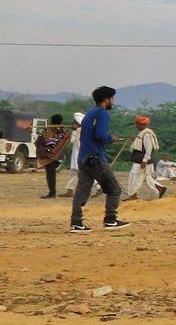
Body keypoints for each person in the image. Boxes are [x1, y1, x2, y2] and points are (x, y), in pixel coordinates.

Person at [70, 86, 129, 231]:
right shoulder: (103, 114)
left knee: (81, 191)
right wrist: (111, 138)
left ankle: (76, 222)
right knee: (114, 189)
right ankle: (110, 219)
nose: (113, 101)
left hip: (83, 157)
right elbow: (100, 134)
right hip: (95, 158)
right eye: (112, 99)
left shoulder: (89, 114)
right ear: (106, 100)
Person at [127, 115, 166, 200]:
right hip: (142, 160)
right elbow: (141, 143)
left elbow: (149, 149)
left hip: (142, 160)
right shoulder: (143, 133)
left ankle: (133, 195)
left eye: (138, 124)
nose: (136, 126)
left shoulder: (147, 134)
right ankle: (161, 188)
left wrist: (144, 161)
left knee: (135, 176)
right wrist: (133, 139)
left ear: (143, 125)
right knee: (147, 178)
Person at [36, 114, 71, 199]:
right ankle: (52, 192)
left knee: (50, 174)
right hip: (58, 156)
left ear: (52, 121)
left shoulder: (51, 130)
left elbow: (42, 141)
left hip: (51, 157)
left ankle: (52, 193)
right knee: (51, 174)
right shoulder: (62, 131)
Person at [60, 111, 84, 197]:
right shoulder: (77, 131)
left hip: (80, 154)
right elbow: (71, 140)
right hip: (75, 154)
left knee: (82, 173)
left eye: (74, 122)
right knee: (73, 172)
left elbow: (79, 144)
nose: (72, 124)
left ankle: (98, 187)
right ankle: (70, 191)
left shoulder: (82, 130)